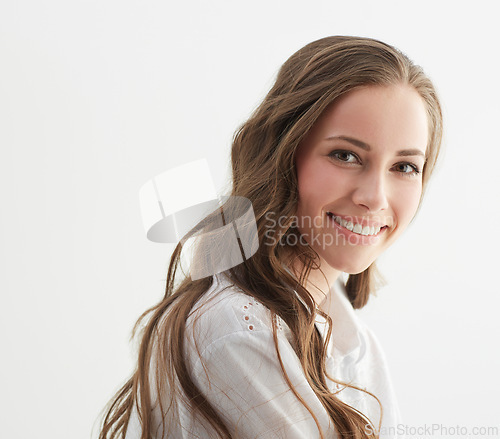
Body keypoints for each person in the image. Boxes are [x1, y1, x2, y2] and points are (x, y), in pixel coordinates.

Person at [97, 35, 443, 439]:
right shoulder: (238, 331)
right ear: (283, 154)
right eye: (345, 155)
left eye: (405, 167)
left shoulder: (353, 341)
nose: (374, 197)